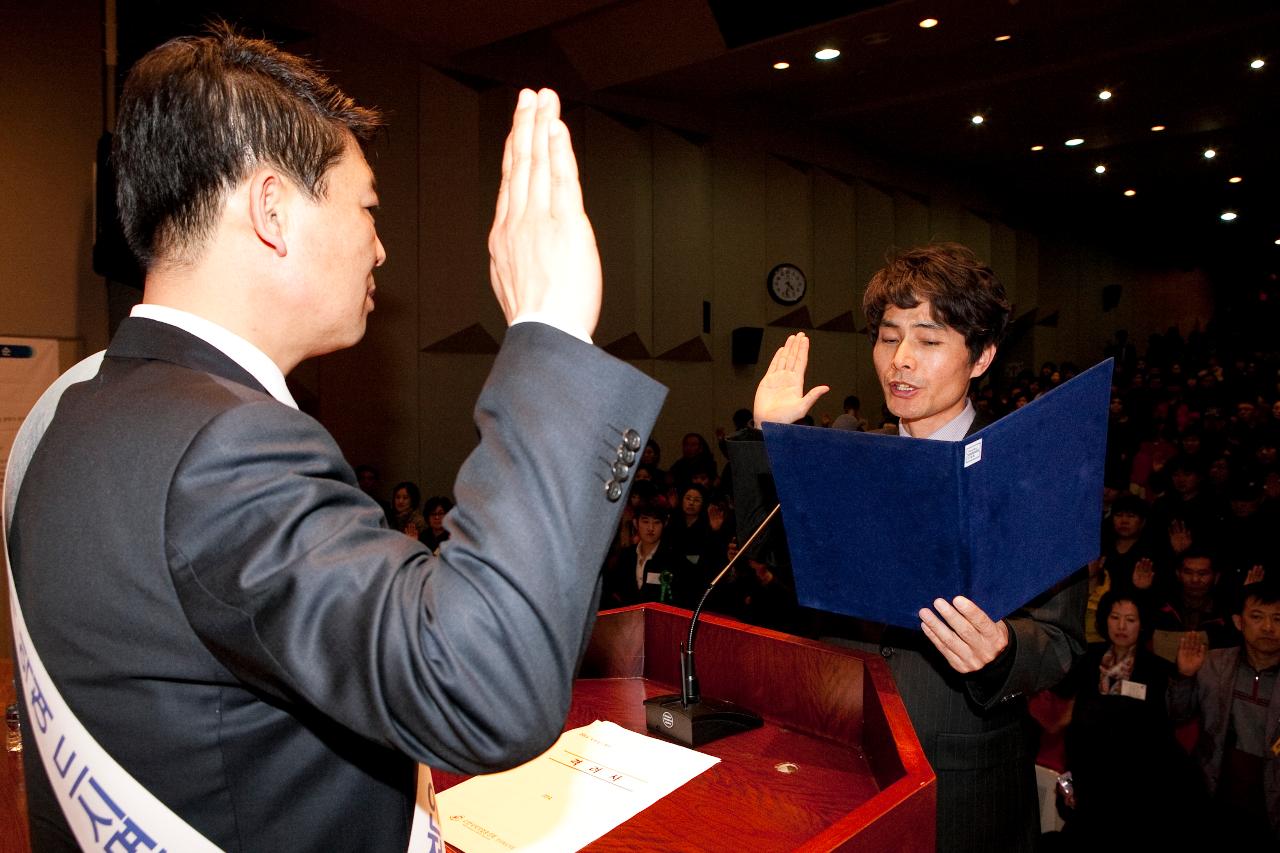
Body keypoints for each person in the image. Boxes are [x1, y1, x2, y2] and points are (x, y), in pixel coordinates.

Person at [6, 26, 665, 852]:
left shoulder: (75, 414)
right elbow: (485, 686)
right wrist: (552, 331)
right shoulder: (226, 444)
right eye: (367, 207)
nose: (381, 246)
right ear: (273, 210)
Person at [726, 243, 1085, 853]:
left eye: (929, 339)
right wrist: (774, 441)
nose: (902, 361)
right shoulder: (844, 463)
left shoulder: (1028, 474)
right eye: (889, 338)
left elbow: (1062, 645)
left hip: (964, 782)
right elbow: (765, 568)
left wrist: (1001, 651)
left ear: (982, 357)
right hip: (839, 753)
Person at [1053, 592, 1200, 847]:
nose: (1121, 626)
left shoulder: (1156, 668)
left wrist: (1184, 677)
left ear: (1142, 624)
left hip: (1139, 784)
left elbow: (1174, 720)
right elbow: (1072, 722)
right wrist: (1069, 776)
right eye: (1115, 617)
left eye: (1130, 619)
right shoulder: (1088, 658)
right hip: (1091, 775)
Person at [1170, 580, 1280, 844]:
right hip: (1215, 794)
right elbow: (1177, 715)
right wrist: (1184, 677)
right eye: (1257, 617)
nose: (1268, 627)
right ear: (1239, 622)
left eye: (1278, 619)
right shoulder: (1215, 663)